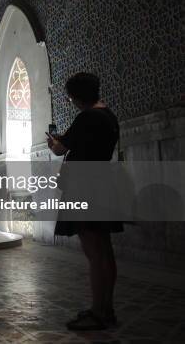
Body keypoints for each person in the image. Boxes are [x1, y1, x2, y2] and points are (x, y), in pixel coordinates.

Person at [46, 72, 122, 331]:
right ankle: (106, 308)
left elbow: (60, 148)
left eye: (70, 98)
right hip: (104, 184)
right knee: (105, 250)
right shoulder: (109, 117)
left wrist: (53, 142)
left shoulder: (87, 118)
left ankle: (98, 313)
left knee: (94, 253)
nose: (72, 102)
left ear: (77, 97)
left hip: (85, 189)